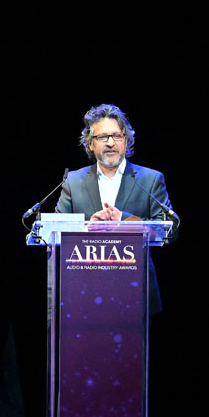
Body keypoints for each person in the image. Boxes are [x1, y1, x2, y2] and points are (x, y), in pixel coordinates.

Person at [56, 103, 177, 315]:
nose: (110, 143)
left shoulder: (150, 180)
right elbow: (56, 231)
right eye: (103, 137)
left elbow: (170, 230)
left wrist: (123, 220)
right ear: (91, 144)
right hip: (84, 293)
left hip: (136, 293)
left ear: (126, 140)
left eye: (117, 136)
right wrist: (86, 229)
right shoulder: (73, 181)